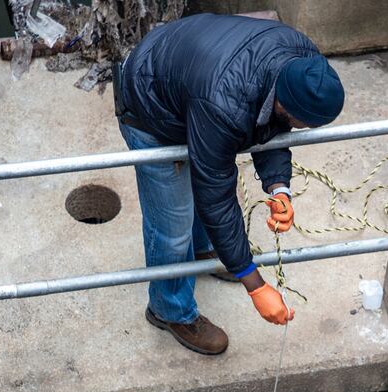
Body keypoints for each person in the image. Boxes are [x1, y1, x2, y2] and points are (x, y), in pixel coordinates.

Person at [115, 12, 345, 355]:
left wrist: (279, 187)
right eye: (302, 123)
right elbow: (216, 196)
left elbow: (272, 128)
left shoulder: (303, 61)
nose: (300, 129)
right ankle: (170, 310)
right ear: (285, 102)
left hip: (191, 84)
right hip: (150, 105)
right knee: (173, 223)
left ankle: (207, 251)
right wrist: (255, 284)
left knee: (208, 175)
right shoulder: (223, 105)